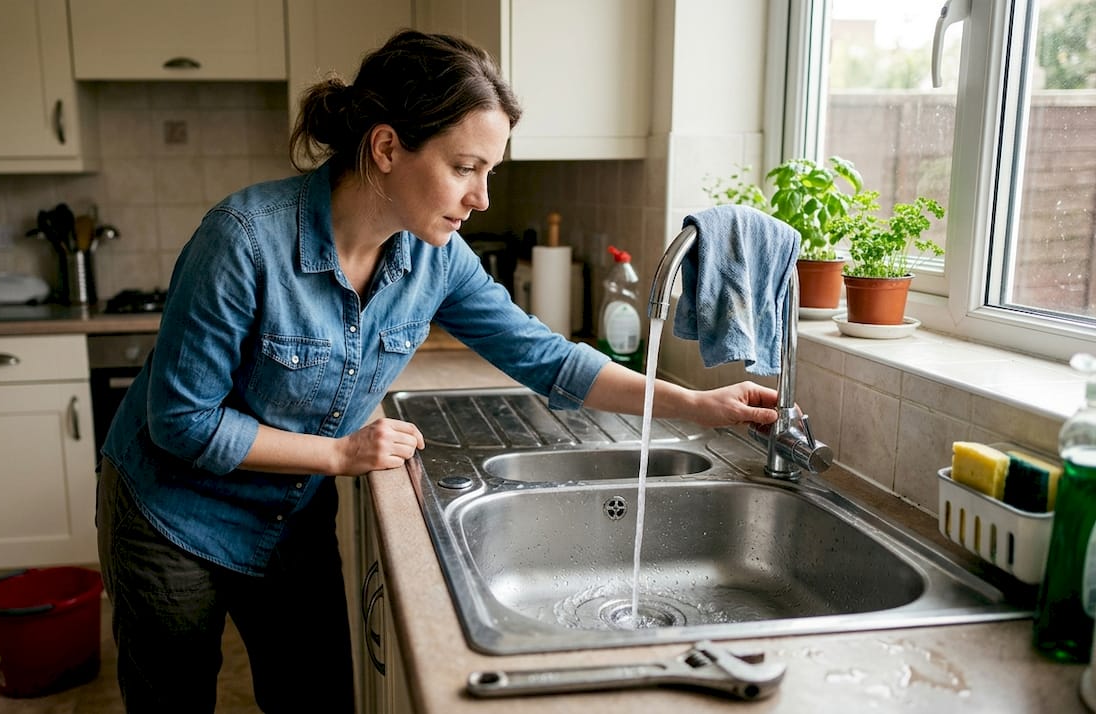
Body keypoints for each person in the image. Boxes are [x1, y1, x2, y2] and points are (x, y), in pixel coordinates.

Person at [95, 28, 780, 713]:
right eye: (464, 167)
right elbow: (182, 423)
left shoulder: (436, 258)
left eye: (490, 172)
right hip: (173, 517)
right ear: (387, 148)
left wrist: (699, 403)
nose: (481, 197)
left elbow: (549, 359)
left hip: (286, 517)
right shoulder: (243, 240)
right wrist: (338, 452)